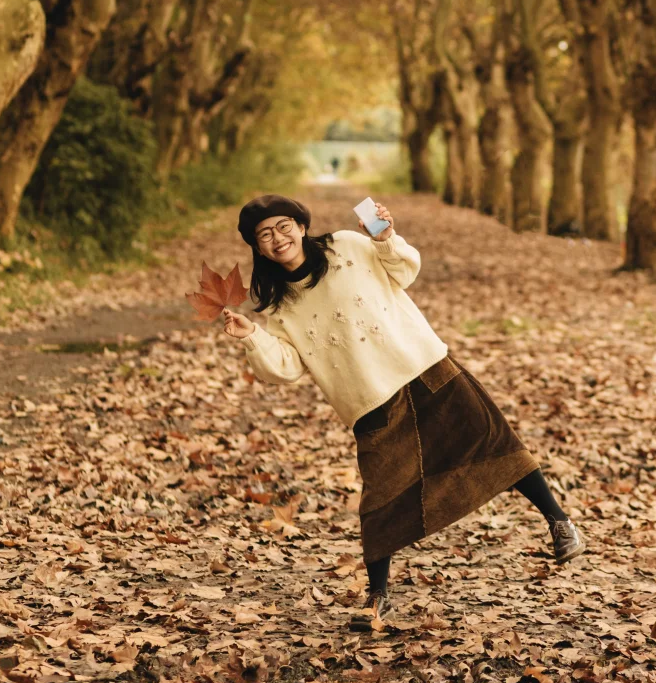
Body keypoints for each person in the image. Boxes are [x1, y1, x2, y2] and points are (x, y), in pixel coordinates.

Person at [221, 194, 584, 626]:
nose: (278, 238)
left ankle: (559, 523)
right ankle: (377, 596)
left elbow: (405, 270)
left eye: (284, 226)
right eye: (265, 235)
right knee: (382, 496)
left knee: (491, 441)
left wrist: (387, 238)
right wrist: (250, 336)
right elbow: (285, 367)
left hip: (423, 365)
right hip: (368, 400)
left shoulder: (347, 246)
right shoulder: (279, 306)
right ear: (257, 248)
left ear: (301, 226)